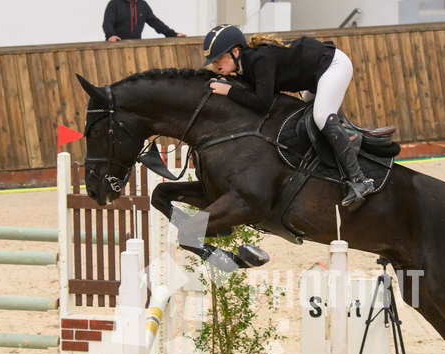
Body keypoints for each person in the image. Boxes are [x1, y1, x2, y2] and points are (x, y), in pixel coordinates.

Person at [201, 24, 374, 210]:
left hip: (333, 66)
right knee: (307, 119)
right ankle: (344, 143)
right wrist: (230, 85)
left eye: (219, 58)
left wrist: (229, 91)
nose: (216, 64)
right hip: (318, 74)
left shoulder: (259, 60)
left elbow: (262, 103)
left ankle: (360, 180)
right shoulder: (248, 63)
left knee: (322, 116)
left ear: (235, 52)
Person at [102, 0, 185, 42]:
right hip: (116, 44)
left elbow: (155, 22)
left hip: (137, 44)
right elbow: (107, 22)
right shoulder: (114, 3)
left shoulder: (143, 5)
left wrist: (172, 34)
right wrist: (110, 35)